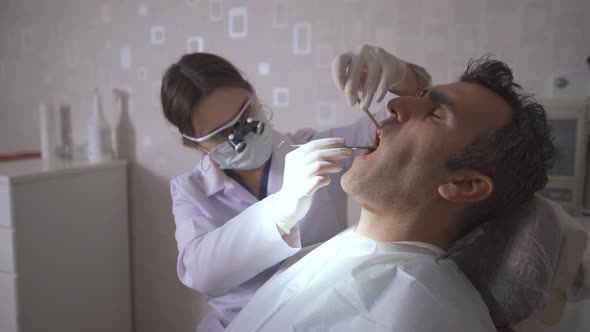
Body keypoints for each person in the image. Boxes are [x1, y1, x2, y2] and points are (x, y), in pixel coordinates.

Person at [225, 56, 556, 331]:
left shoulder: (423, 314)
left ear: (464, 184)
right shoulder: (351, 250)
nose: (395, 104)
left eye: (435, 112)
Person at [160, 46, 431, 331]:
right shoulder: (190, 191)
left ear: (253, 95)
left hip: (325, 319)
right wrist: (279, 211)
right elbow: (202, 273)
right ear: (193, 143)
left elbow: (389, 127)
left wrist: (406, 81)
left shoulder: (312, 148)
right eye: (220, 133)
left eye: (245, 113)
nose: (244, 131)